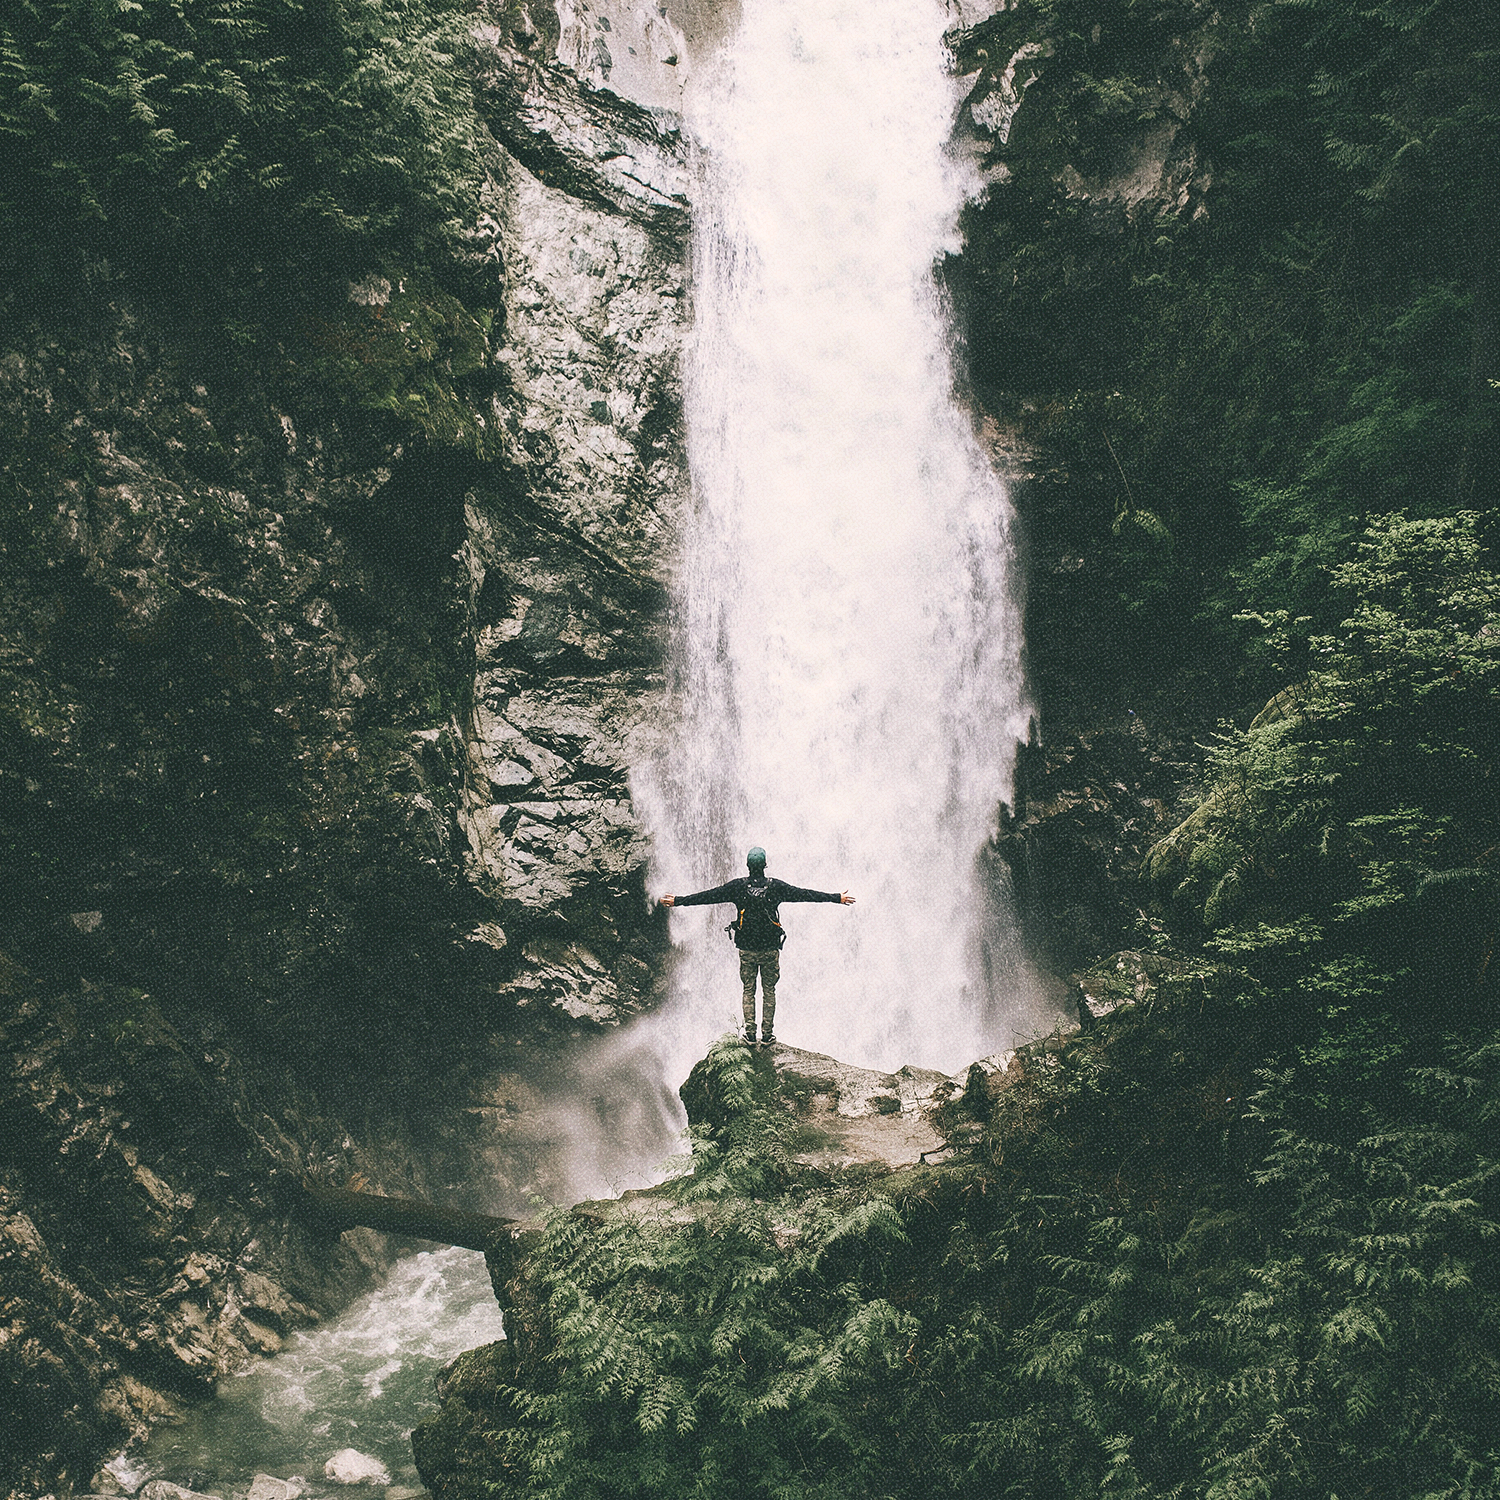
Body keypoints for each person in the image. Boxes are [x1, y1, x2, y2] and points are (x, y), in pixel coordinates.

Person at [659, 847, 855, 1045]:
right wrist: (836, 897)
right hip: (770, 948)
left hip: (747, 949)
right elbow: (804, 894)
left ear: (748, 866)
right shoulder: (776, 886)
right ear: (765, 865)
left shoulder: (737, 887)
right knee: (769, 990)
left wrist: (678, 901)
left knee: (748, 990)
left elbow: (709, 896)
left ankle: (750, 1035)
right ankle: (768, 1035)